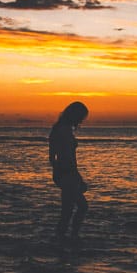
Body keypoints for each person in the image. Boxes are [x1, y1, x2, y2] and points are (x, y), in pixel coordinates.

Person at [48, 101, 89, 241]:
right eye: (82, 116)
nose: (82, 120)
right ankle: (68, 236)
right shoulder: (64, 131)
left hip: (63, 173)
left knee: (74, 208)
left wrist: (56, 172)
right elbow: (67, 157)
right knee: (72, 209)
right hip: (68, 173)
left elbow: (52, 156)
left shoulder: (58, 129)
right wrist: (76, 177)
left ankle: (67, 236)